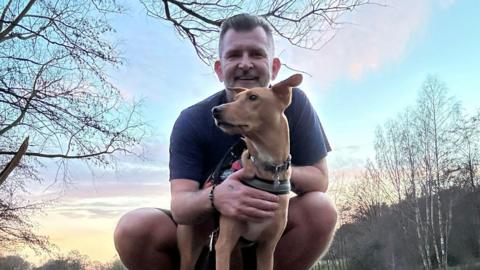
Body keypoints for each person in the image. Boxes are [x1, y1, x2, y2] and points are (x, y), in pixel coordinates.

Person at [114, 13, 337, 270]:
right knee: (133, 228)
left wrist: (267, 172)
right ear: (219, 69)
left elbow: (319, 179)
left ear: (274, 67)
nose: (245, 64)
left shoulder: (293, 106)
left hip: (268, 225)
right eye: (233, 55)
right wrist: (216, 196)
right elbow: (181, 205)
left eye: (256, 54)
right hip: (206, 229)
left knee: (320, 209)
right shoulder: (193, 119)